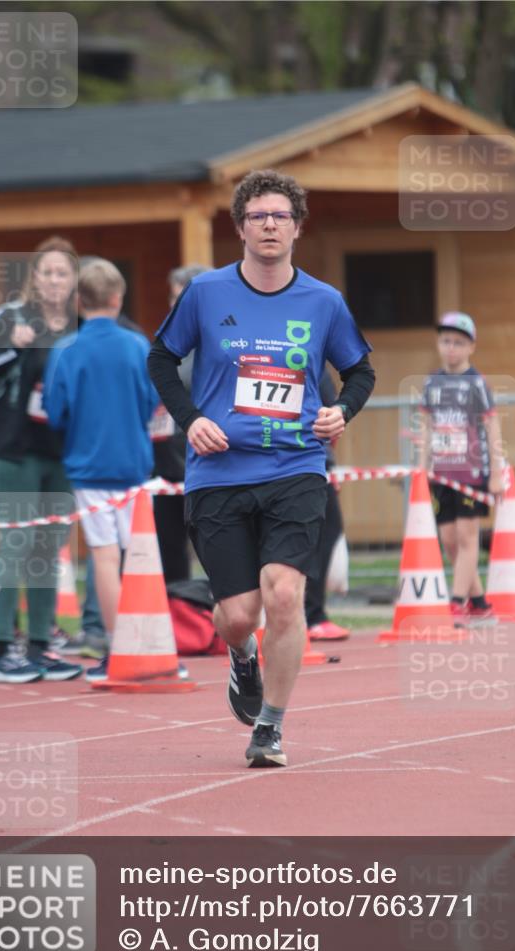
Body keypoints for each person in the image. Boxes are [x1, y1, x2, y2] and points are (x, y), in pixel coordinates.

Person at [149, 169, 374, 768]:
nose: (270, 225)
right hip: (219, 471)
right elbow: (162, 359)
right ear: (241, 228)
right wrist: (191, 418)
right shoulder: (206, 292)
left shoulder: (323, 301)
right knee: (239, 614)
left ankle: (270, 727)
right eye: (258, 217)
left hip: (295, 466)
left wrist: (342, 411)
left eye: (280, 216)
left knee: (285, 594)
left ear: (297, 228)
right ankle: (242, 654)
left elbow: (360, 372)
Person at [0, 236, 83, 683]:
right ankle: (1, 649)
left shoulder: (80, 326)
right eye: (47, 272)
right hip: (11, 453)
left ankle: (39, 646)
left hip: (60, 454)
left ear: (74, 280)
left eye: (62, 273)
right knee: (16, 546)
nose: (54, 280)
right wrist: (11, 346)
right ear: (35, 277)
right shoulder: (11, 317)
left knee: (48, 550)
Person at [43, 258, 159, 681]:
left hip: (88, 465)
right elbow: (151, 402)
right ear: (118, 298)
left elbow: (55, 411)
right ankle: (151, 641)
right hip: (133, 463)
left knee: (105, 557)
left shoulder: (65, 350)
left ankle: (117, 644)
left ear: (78, 300)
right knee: (140, 555)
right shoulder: (138, 345)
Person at [419, 311, 504, 627]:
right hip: (441, 475)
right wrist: (422, 467)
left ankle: (456, 603)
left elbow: (492, 427)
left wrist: (496, 473)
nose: (451, 348)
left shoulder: (477, 384)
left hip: (472, 474)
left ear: (471, 347)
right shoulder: (432, 383)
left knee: (468, 537)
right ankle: (479, 604)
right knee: (450, 541)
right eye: (445, 341)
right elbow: (426, 426)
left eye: (458, 342)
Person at [150, 265, 209, 583]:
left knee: (214, 552)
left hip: (205, 465)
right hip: (165, 467)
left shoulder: (214, 344)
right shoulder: (168, 343)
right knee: (170, 552)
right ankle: (180, 610)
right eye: (172, 298)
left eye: (181, 297)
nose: (174, 305)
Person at [305, 367, 351, 641]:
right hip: (312, 463)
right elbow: (332, 422)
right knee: (323, 533)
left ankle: (308, 614)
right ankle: (312, 615)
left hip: (300, 462)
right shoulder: (315, 367)